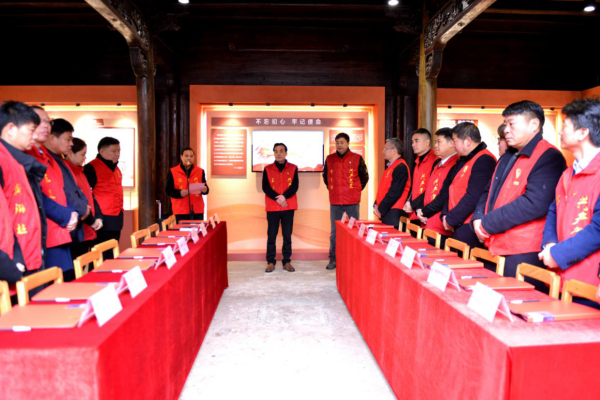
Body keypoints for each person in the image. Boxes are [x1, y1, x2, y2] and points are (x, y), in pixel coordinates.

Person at [473, 100, 566, 282]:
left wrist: (487, 223)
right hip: (494, 241)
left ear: (534, 124)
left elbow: (533, 204)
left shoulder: (549, 156)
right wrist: (478, 217)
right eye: (505, 124)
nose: (506, 130)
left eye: (512, 124)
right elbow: (488, 191)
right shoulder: (508, 156)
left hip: (523, 249)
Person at [539, 98, 600, 299]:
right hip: (561, 276)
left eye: (565, 126)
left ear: (583, 132)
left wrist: (558, 254)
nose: (560, 132)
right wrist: (549, 244)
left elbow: (598, 230)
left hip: (589, 281)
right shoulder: (567, 173)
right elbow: (554, 210)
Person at [420, 122, 496, 249]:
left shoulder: (484, 159)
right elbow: (450, 189)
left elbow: (473, 197)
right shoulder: (463, 159)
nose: (453, 145)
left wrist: (451, 219)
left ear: (468, 141)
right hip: (456, 223)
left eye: (455, 141)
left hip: (468, 225)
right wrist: (445, 215)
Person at [0, 101, 45, 282]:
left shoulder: (17, 161)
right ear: (11, 129)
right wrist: (10, 261)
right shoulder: (3, 160)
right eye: (31, 130)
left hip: (26, 255)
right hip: (11, 261)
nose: (35, 136)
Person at [42, 118, 88, 280]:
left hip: (64, 228)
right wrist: (71, 214)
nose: (71, 144)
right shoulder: (39, 160)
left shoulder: (57, 160)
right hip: (53, 230)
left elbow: (71, 191)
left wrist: (76, 211)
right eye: (68, 139)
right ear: (52, 138)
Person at [322, 132, 369, 270]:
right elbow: (326, 177)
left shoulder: (356, 158)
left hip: (352, 202)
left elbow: (364, 177)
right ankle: (333, 259)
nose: (339, 145)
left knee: (354, 231)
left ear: (348, 143)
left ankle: (354, 259)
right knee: (334, 233)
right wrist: (334, 190)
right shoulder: (330, 159)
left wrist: (355, 191)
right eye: (337, 143)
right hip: (335, 201)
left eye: (342, 142)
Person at [412, 128, 459, 248]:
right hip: (428, 222)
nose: (436, 145)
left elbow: (444, 196)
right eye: (435, 142)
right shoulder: (438, 164)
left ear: (451, 143)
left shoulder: (455, 164)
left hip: (440, 224)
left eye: (439, 142)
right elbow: (428, 190)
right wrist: (420, 209)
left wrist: (424, 211)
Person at [84, 137, 123, 260]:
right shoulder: (91, 168)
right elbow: (86, 194)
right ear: (101, 151)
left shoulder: (116, 169)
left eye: (119, 151)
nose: (117, 154)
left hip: (116, 217)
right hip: (102, 219)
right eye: (114, 151)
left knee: (112, 253)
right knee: (100, 255)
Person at [262, 143, 299, 273]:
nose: (279, 153)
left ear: (286, 153)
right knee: (271, 235)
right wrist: (278, 198)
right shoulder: (267, 169)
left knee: (287, 235)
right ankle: (270, 262)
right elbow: (265, 187)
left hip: (288, 206)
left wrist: (284, 197)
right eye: (276, 151)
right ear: (273, 153)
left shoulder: (293, 168)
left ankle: (286, 261)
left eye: (281, 151)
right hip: (273, 207)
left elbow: (295, 186)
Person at [65, 137, 104, 259]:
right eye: (82, 154)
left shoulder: (80, 171)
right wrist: (92, 221)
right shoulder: (67, 172)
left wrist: (98, 217)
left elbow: (90, 196)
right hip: (78, 230)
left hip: (88, 228)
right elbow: (75, 201)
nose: (84, 158)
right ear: (70, 154)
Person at [373, 138, 410, 229]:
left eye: (385, 149)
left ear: (394, 151)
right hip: (387, 211)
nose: (383, 151)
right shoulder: (391, 166)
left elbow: (395, 192)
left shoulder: (401, 167)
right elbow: (383, 189)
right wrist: (376, 204)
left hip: (394, 213)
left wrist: (380, 209)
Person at [403, 128, 440, 221]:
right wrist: (409, 202)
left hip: (425, 212)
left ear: (427, 142)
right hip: (414, 211)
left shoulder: (436, 161)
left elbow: (431, 189)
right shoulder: (417, 162)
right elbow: (414, 187)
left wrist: (413, 204)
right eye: (412, 142)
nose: (413, 144)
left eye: (416, 141)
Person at [166, 147, 209, 223]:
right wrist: (179, 193)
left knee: (198, 230)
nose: (189, 158)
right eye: (186, 156)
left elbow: (205, 188)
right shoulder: (173, 171)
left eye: (191, 156)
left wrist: (205, 190)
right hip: (180, 211)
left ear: (194, 157)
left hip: (197, 211)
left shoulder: (200, 171)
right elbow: (168, 190)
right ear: (181, 157)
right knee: (182, 230)